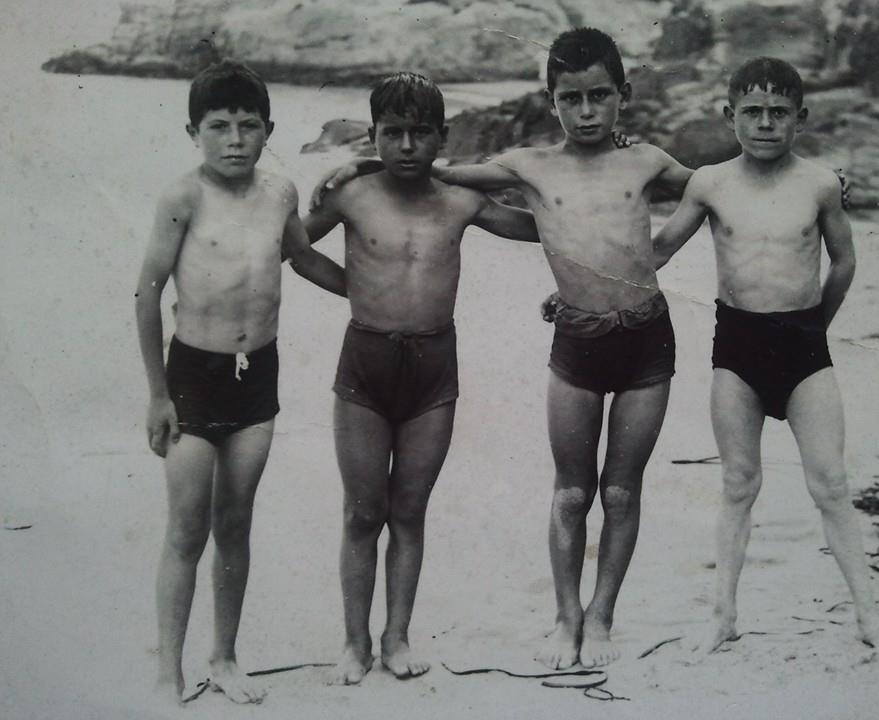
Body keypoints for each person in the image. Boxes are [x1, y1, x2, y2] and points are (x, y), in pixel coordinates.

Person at [323, 29, 692, 670]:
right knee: (571, 494)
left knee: (623, 493)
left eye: (599, 96)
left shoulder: (649, 160)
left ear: (621, 96)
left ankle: (599, 618)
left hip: (644, 338)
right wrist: (356, 164)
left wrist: (648, 258)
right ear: (551, 101)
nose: (585, 111)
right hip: (568, 343)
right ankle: (561, 619)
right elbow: (430, 168)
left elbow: (716, 188)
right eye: (570, 98)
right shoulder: (527, 164)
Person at [302, 71, 541, 685]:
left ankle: (397, 638)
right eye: (393, 134)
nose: (407, 146)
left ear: (441, 136)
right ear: (374, 135)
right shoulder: (352, 195)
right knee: (362, 513)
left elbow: (535, 227)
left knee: (409, 511)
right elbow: (292, 248)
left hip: (434, 370)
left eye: (420, 134)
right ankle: (354, 644)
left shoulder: (459, 199)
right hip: (366, 363)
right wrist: (352, 287)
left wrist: (560, 177)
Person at [652, 56, 879, 653]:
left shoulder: (821, 183)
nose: (765, 124)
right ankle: (723, 615)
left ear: (799, 119)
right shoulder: (710, 182)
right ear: (730, 116)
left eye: (779, 112)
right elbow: (658, 251)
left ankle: (868, 616)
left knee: (830, 481)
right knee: (738, 482)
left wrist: (819, 327)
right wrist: (583, 285)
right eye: (752, 111)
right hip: (738, 348)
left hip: (805, 346)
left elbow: (845, 259)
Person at [134, 60, 346, 705]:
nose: (233, 139)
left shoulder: (279, 192)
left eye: (247, 126)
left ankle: (224, 657)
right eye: (219, 126)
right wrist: (157, 395)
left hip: (257, 379)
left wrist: (372, 295)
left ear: (267, 130)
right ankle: (168, 672)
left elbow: (302, 256)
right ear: (193, 131)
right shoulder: (182, 197)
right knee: (186, 529)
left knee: (235, 523)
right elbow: (147, 296)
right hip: (192, 380)